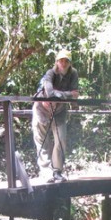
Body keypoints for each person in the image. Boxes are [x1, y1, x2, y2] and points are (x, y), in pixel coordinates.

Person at [32, 49, 79, 183]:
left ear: (70, 63)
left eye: (66, 61)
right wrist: (68, 94)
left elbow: (75, 94)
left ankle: (57, 171)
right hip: (42, 109)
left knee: (61, 140)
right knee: (42, 141)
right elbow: (50, 93)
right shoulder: (50, 73)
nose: (63, 63)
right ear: (56, 62)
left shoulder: (73, 74)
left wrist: (69, 99)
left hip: (59, 111)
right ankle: (46, 172)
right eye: (61, 61)